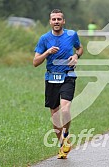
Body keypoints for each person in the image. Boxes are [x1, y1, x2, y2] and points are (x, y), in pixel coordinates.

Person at [33, 9, 83, 159]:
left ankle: (66, 135)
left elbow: (79, 48)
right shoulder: (44, 39)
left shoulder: (71, 35)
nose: (56, 22)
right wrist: (47, 52)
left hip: (68, 75)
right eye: (54, 19)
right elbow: (35, 62)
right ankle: (62, 146)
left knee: (65, 108)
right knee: (55, 116)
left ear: (63, 21)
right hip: (51, 79)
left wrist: (76, 56)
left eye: (59, 19)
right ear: (50, 22)